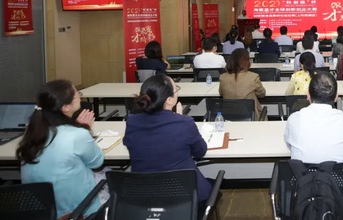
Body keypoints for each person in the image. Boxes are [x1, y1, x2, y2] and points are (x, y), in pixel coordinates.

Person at [123, 74, 213, 215]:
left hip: (144, 196)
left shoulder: (132, 122)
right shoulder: (185, 123)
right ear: (170, 99)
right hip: (185, 196)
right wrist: (179, 119)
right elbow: (200, 151)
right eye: (176, 89)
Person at [18, 80, 104, 218]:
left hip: (39, 212)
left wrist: (77, 127)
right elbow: (97, 162)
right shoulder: (78, 135)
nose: (79, 96)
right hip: (76, 213)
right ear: (66, 107)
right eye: (77, 94)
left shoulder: (32, 132)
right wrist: (86, 130)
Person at [284, 72, 343, 163]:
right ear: (336, 97)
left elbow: (289, 145)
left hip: (302, 172)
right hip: (340, 172)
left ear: (308, 96)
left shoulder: (294, 119)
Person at [219, 48, 267, 120]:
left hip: (229, 117)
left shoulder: (223, 77)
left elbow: (221, 93)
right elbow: (262, 94)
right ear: (247, 61)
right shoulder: (253, 77)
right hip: (250, 118)